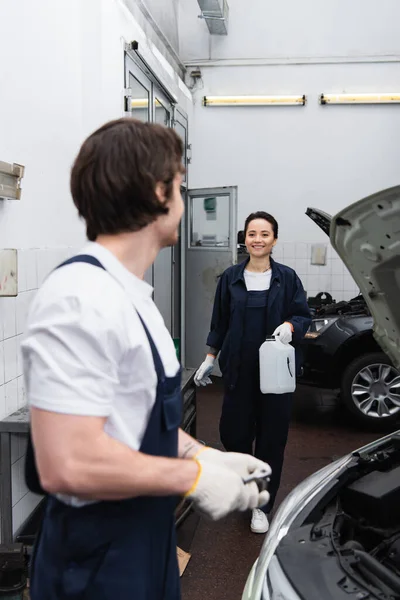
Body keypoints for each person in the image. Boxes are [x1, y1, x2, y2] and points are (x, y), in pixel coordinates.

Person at [22, 119, 271, 600]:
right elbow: (65, 462)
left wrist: (200, 454)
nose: (182, 201)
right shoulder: (79, 296)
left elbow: (139, 419)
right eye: (179, 187)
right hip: (97, 559)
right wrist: (192, 477)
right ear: (159, 192)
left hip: (146, 537)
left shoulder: (131, 294)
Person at [194, 211, 311, 534]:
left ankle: (262, 505)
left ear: (274, 239)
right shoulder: (230, 278)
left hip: (275, 374)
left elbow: (303, 315)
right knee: (234, 433)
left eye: (264, 234)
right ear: (244, 239)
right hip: (239, 370)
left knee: (272, 439)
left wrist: (290, 326)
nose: (257, 240)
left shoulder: (287, 278)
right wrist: (209, 357)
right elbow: (219, 323)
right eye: (251, 234)